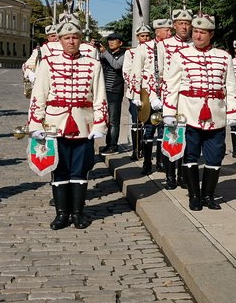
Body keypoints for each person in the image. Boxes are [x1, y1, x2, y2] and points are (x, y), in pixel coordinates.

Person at [27, 15, 108, 229]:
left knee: (80, 169)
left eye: (75, 37)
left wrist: (100, 125)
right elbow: (39, 96)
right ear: (59, 40)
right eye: (66, 37)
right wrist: (35, 125)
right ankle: (62, 213)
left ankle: (79, 213)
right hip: (55, 124)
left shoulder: (93, 65)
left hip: (83, 124)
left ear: (80, 39)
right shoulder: (47, 63)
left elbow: (100, 96)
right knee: (60, 168)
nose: (71, 41)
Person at [162, 12, 236, 210]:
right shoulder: (180, 55)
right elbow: (171, 85)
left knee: (215, 157)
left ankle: (208, 196)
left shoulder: (224, 57)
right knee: (191, 156)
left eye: (202, 32)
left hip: (216, 115)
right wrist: (169, 112)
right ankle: (194, 196)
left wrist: (233, 113)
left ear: (211, 34)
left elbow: (231, 87)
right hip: (189, 114)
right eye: (195, 32)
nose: (197, 36)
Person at [160, 7, 195, 189]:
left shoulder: (194, 45)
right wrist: (156, 96)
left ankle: (183, 175)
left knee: (187, 138)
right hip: (171, 97)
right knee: (171, 137)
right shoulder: (164, 45)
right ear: (174, 26)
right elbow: (156, 73)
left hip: (190, 100)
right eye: (181, 23)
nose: (184, 27)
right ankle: (169, 175)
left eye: (187, 24)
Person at [136, 18, 172, 175]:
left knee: (164, 129)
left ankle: (161, 162)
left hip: (166, 92)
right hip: (148, 93)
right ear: (158, 32)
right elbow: (136, 73)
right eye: (167, 30)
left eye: (171, 30)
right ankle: (147, 162)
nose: (170, 33)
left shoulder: (171, 47)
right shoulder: (144, 47)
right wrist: (136, 95)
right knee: (149, 129)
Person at [123, 24, 152, 161]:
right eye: (142, 36)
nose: (145, 38)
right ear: (137, 37)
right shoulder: (131, 52)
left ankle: (147, 150)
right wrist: (136, 86)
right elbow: (126, 72)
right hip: (136, 91)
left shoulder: (153, 51)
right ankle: (136, 150)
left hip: (149, 91)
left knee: (150, 122)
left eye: (147, 35)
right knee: (136, 121)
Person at [99, 33, 126, 155]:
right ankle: (108, 144)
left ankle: (113, 146)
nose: (110, 42)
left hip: (115, 90)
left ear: (120, 43)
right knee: (106, 119)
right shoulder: (106, 54)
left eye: (114, 40)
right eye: (109, 40)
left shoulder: (124, 54)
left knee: (114, 120)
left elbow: (117, 65)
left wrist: (105, 52)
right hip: (103, 90)